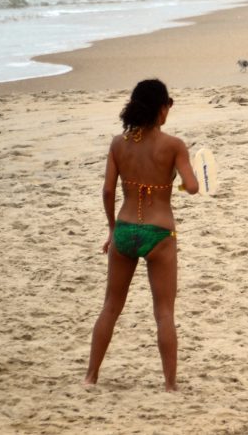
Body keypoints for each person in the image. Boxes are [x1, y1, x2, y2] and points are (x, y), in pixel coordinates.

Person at [84, 79, 199, 391]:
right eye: (167, 108)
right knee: (163, 311)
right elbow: (192, 187)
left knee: (110, 306)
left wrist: (111, 228)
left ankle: (91, 377)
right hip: (159, 233)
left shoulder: (117, 144)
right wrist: (186, 174)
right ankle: (171, 385)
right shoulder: (174, 145)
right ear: (162, 108)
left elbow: (108, 190)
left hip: (124, 230)